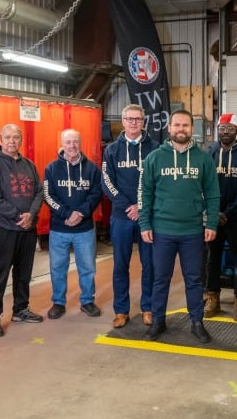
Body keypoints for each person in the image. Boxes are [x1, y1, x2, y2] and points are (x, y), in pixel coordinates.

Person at [139, 110, 220, 343]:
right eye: (177, 125)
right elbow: (145, 193)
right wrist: (145, 223)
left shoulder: (203, 158)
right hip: (162, 230)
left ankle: (197, 321)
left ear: (191, 128)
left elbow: (213, 194)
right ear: (170, 127)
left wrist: (211, 222)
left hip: (193, 231)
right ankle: (158, 321)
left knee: (194, 279)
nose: (181, 129)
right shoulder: (154, 158)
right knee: (160, 278)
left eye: (185, 125)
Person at [0, 123, 44, 337]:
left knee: (23, 273)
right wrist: (19, 217)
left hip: (28, 230)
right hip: (4, 229)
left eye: (15, 137)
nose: (11, 141)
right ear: (0, 140)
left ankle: (21, 309)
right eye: (7, 137)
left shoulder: (29, 165)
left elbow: (39, 191)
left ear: (21, 140)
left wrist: (32, 215)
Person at [102, 104, 159, 328]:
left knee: (150, 264)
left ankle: (148, 307)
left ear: (143, 121)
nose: (133, 122)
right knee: (120, 265)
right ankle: (121, 310)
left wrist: (142, 207)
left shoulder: (155, 148)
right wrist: (129, 205)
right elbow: (107, 181)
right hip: (121, 216)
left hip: (147, 217)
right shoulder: (112, 150)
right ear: (123, 121)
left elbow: (158, 182)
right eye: (129, 119)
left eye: (137, 119)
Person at [43, 129, 103, 320]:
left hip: (84, 228)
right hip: (59, 228)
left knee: (87, 267)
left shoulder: (92, 169)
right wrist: (67, 214)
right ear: (62, 143)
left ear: (80, 143)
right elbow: (48, 195)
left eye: (75, 142)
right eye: (68, 142)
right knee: (58, 267)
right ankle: (58, 302)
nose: (72, 146)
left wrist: (81, 213)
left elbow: (96, 194)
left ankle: (87, 301)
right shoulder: (51, 169)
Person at [204, 113, 237, 322]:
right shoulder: (210, 153)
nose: (225, 132)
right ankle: (212, 299)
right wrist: (213, 212)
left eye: (229, 128)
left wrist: (228, 212)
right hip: (214, 215)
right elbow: (204, 183)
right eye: (221, 128)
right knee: (212, 259)